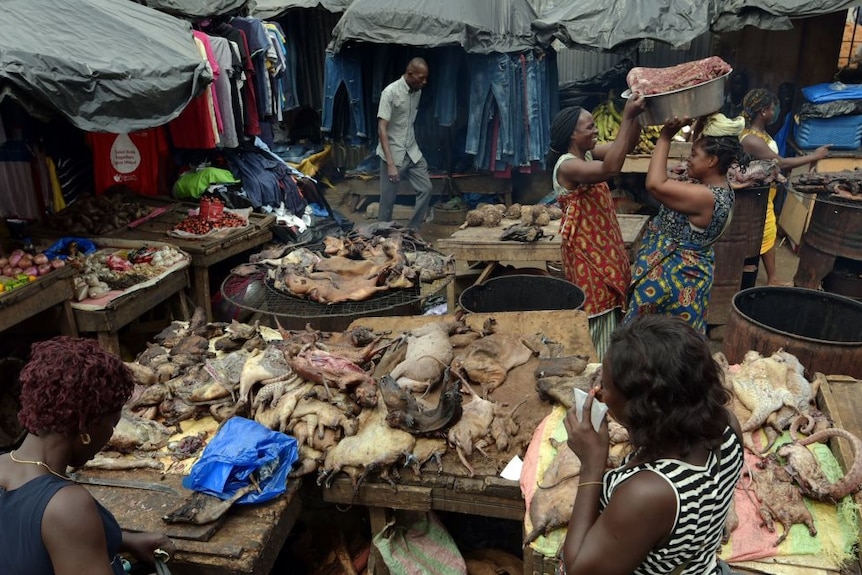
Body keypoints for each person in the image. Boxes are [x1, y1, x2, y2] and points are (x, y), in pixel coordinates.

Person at [561, 314, 744, 575]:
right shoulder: (727, 426)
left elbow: (579, 570)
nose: (599, 391)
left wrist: (592, 464)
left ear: (642, 408)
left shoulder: (649, 494)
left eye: (608, 386)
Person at [0, 336, 175, 574]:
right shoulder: (66, 505)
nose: (110, 435)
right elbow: (59, 524)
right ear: (87, 427)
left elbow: (30, 543)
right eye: (112, 424)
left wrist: (123, 539)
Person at [626, 113, 744, 333]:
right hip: (684, 280)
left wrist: (665, 136)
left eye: (693, 154)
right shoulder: (718, 186)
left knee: (647, 340)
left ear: (712, 161)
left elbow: (654, 184)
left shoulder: (705, 196)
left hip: (671, 283)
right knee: (673, 343)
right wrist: (700, 121)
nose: (688, 158)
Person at [547, 94, 645, 358]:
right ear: (572, 136)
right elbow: (611, 167)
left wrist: (636, 116)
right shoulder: (567, 166)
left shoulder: (587, 153)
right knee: (596, 311)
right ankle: (596, 372)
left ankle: (608, 367)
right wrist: (626, 116)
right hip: (586, 256)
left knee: (611, 311)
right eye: (589, 127)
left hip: (603, 250)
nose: (595, 131)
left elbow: (627, 146)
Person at [739, 88, 830, 287]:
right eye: (774, 108)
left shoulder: (760, 134)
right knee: (764, 233)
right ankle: (768, 279)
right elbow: (780, 163)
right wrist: (814, 156)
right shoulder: (751, 139)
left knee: (767, 233)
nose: (776, 111)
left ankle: (771, 277)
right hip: (757, 197)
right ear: (764, 111)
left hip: (765, 194)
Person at [376, 57, 432, 231]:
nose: (425, 82)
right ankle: (381, 237)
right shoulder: (390, 92)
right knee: (387, 202)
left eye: (425, 78)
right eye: (421, 78)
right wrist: (391, 165)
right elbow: (382, 129)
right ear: (410, 74)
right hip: (393, 155)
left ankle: (412, 230)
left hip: (412, 151)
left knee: (427, 188)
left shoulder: (417, 91)